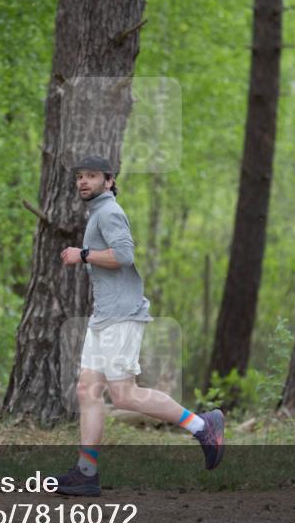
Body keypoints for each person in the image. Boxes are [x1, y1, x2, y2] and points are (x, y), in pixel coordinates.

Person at [51, 155, 225, 497]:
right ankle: (86, 473)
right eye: (80, 177)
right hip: (104, 317)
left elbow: (124, 256)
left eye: (92, 176)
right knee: (87, 390)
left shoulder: (110, 213)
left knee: (124, 395)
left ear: (109, 181)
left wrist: (82, 254)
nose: (83, 182)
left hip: (122, 316)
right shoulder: (98, 213)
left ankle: (203, 425)